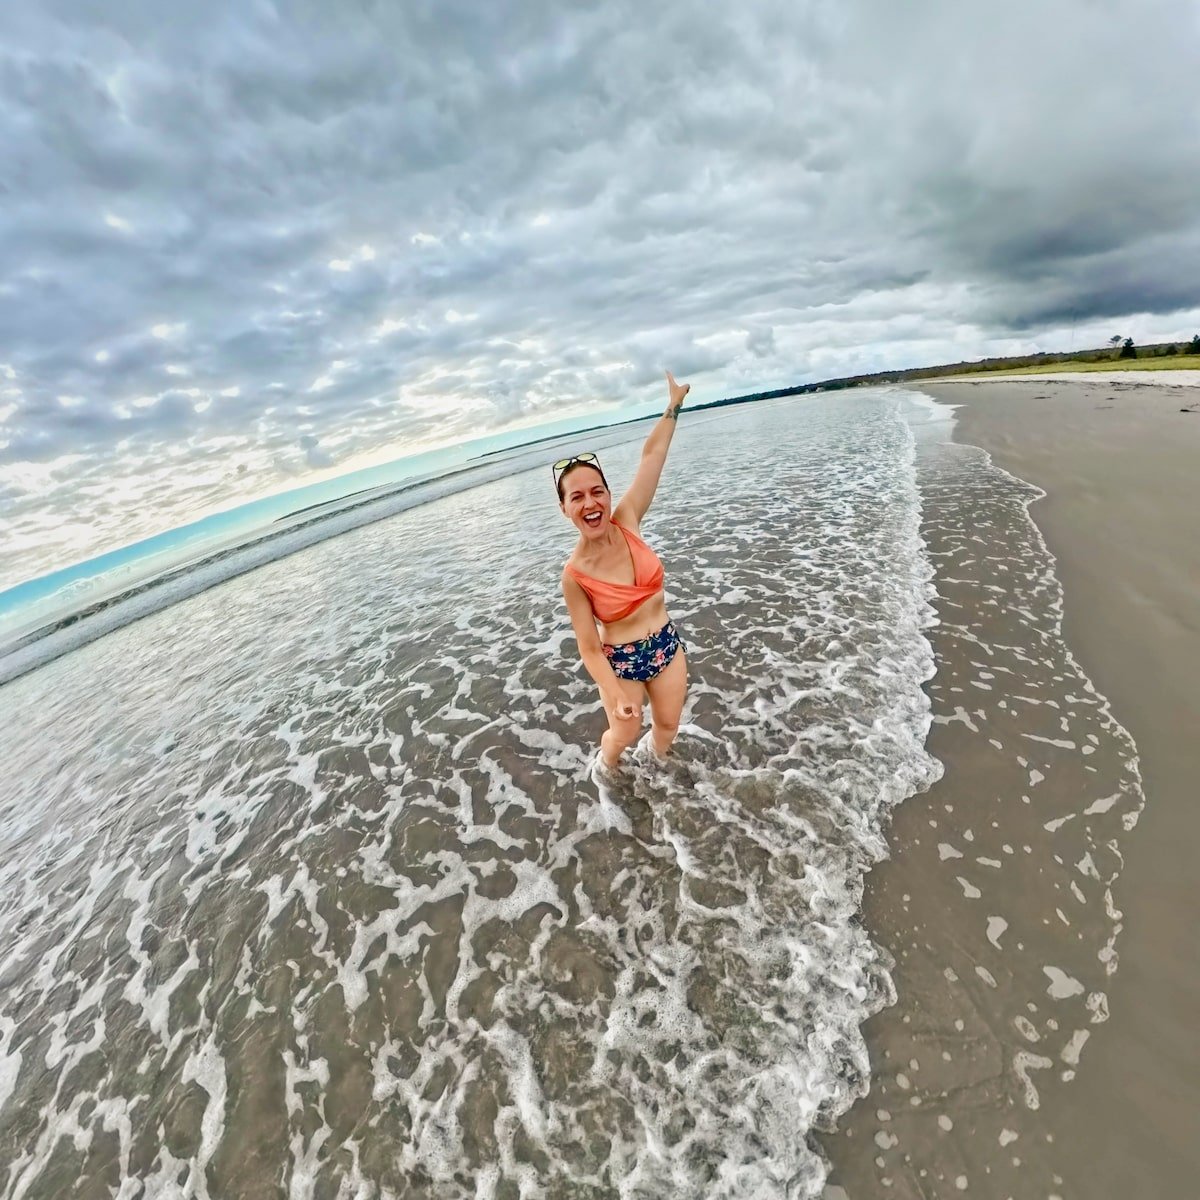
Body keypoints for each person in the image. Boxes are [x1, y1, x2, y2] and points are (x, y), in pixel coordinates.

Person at [556, 371, 690, 772]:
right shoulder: (575, 575)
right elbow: (588, 647)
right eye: (576, 496)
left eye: (597, 491)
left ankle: (658, 773)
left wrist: (673, 406)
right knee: (625, 733)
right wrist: (614, 693)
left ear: (608, 495)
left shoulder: (628, 518)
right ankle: (606, 766)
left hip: (665, 644)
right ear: (564, 509)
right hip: (622, 662)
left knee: (667, 726)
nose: (590, 502)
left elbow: (652, 457)